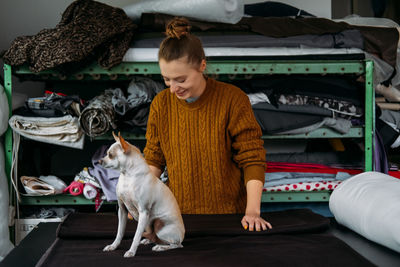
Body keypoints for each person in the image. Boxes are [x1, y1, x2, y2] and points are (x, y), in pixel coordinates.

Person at [143, 17, 272, 231]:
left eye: (181, 79)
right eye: (167, 79)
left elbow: (252, 157)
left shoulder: (232, 99)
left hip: (229, 216)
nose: (173, 88)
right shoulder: (161, 103)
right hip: (176, 217)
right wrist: (141, 202)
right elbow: (154, 158)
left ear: (202, 65)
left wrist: (252, 212)